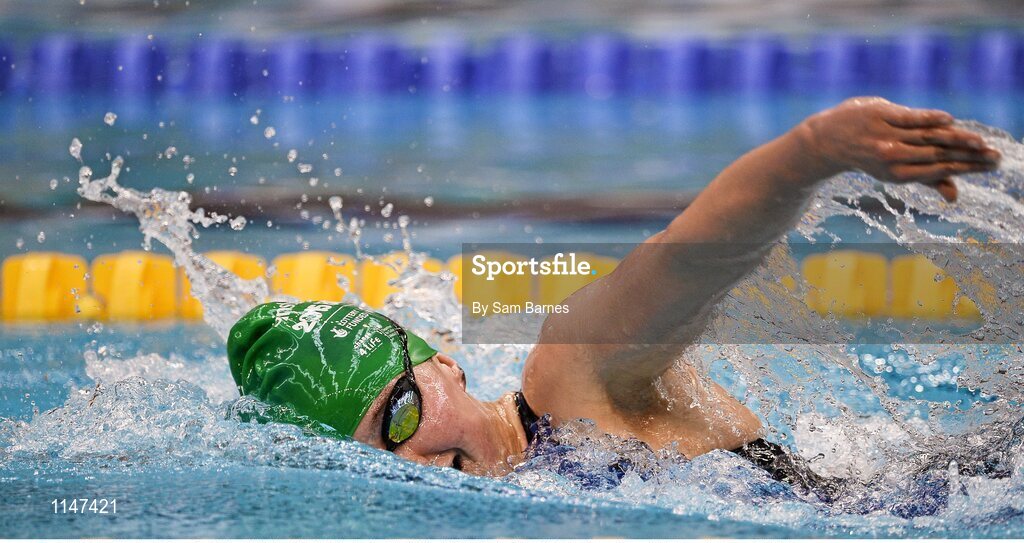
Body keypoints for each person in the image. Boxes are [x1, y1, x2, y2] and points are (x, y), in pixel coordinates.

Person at [226, 97, 1002, 490]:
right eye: (380, 462)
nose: (418, 460)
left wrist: (812, 150)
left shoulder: (569, 372)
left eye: (401, 411)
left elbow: (689, 260)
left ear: (445, 365)